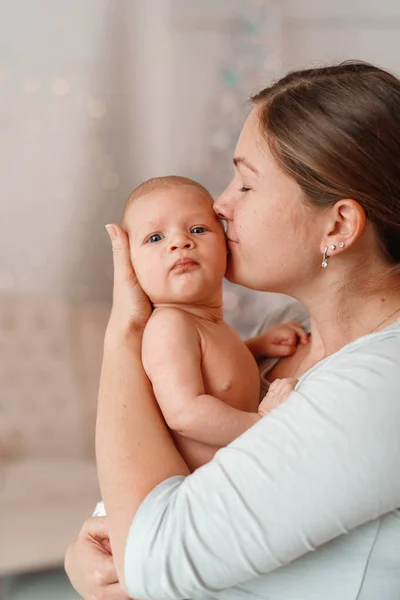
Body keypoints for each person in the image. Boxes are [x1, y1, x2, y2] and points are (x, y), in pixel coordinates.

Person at [65, 61, 400, 600]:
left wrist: (126, 333)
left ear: (337, 226)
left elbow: (153, 558)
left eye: (246, 183)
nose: (219, 205)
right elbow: (159, 481)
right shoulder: (283, 333)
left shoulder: (383, 386)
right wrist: (93, 549)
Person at [93, 175, 308, 517]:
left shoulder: (206, 325)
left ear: (225, 243)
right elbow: (185, 412)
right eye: (155, 237)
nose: (179, 243)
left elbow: (216, 375)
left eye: (197, 230)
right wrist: (262, 423)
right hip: (193, 502)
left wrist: (257, 347)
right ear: (130, 265)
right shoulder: (168, 325)